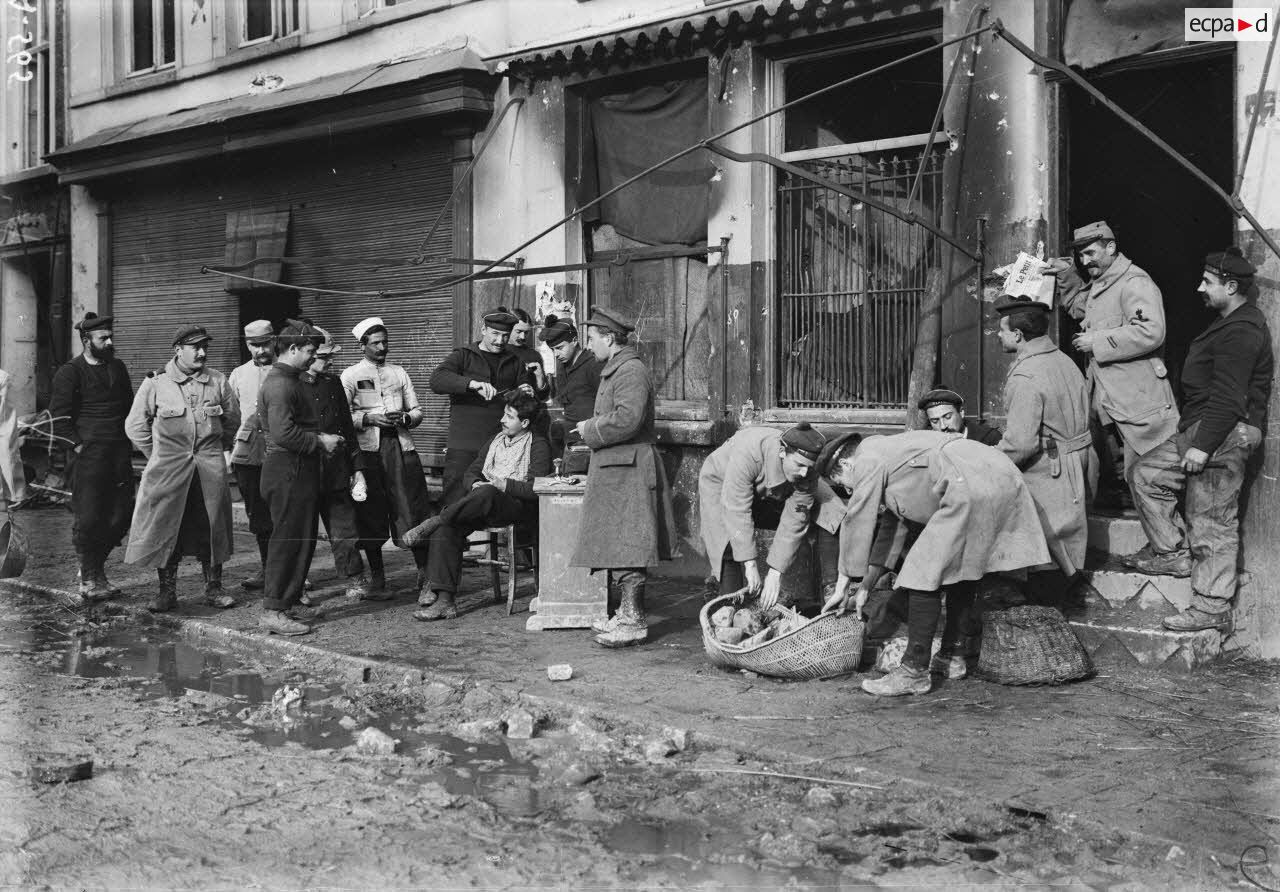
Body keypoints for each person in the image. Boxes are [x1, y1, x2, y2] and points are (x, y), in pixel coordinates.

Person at [822, 430, 1051, 697]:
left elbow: (857, 518)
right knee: (962, 568)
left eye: (845, 484)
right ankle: (953, 655)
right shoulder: (890, 454)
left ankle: (913, 672)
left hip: (967, 481)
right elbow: (893, 529)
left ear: (847, 464)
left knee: (921, 571)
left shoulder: (865, 458)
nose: (850, 490)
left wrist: (842, 584)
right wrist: (865, 587)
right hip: (996, 472)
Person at [1046, 221, 1186, 575]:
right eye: (1080, 254)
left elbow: (1151, 331)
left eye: (1090, 252)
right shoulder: (1103, 284)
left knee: (1150, 472)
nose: (1085, 260)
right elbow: (1082, 308)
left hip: (1140, 397)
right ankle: (1163, 544)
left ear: (1111, 247)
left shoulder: (1134, 282)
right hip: (1111, 395)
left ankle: (1173, 552)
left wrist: (1097, 342)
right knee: (1126, 471)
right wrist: (1066, 275)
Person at [1161, 248, 1273, 632]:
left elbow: (1230, 397)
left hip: (1217, 433)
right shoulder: (1230, 324)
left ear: (1230, 286)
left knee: (1211, 519)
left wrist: (1202, 445)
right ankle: (1173, 552)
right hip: (1202, 427)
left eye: (1207, 283)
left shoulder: (1241, 330)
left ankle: (1211, 605)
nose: (1199, 288)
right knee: (1147, 475)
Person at [571, 307, 676, 648]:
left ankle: (633, 620)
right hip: (617, 469)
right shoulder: (616, 369)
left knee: (628, 544)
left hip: (627, 470)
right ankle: (627, 613)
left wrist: (589, 428)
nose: (589, 346)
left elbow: (628, 419)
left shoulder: (630, 371)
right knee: (618, 543)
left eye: (592, 339)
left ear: (610, 338)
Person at [402, 392, 552, 620]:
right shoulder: (495, 440)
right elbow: (471, 471)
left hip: (517, 508)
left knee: (488, 492)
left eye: (509, 417)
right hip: (483, 504)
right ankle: (445, 601)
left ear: (525, 423)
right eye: (504, 413)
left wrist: (504, 485)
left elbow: (534, 488)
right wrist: (475, 483)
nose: (502, 419)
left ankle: (434, 521)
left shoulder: (538, 445)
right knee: (449, 527)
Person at [124, 324, 240, 612]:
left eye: (205, 347)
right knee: (167, 527)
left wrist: (214, 450)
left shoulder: (218, 381)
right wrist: (160, 455)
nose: (202, 352)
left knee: (212, 527)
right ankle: (167, 593)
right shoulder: (156, 383)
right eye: (195, 347)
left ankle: (214, 589)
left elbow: (233, 421)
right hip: (169, 471)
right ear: (178, 350)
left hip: (208, 470)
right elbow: (135, 426)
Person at [993, 296, 1098, 592]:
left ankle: (1048, 609)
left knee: (1048, 541)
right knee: (1066, 536)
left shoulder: (1025, 375)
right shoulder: (1063, 359)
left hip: (1051, 467)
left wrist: (987, 461)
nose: (998, 335)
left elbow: (1020, 445)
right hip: (1079, 456)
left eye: (1001, 330)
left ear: (1017, 335)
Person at [256, 319, 343, 635]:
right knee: (288, 541)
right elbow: (282, 433)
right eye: (309, 350)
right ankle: (274, 611)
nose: (312, 356)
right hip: (288, 471)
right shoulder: (281, 384)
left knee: (300, 541)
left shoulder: (291, 380)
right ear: (292, 349)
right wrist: (321, 441)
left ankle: (285, 606)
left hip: (298, 470)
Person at [341, 317, 434, 601]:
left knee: (411, 509)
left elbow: (417, 409)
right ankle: (378, 579)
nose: (382, 348)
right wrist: (368, 418)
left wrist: (405, 417)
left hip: (401, 450)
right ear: (362, 346)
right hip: (369, 454)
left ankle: (425, 574)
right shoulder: (350, 376)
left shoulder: (399, 372)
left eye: (385, 342)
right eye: (376, 343)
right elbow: (343, 417)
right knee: (370, 513)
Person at [48, 312, 133, 602]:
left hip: (119, 453)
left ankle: (97, 570)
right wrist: (80, 447)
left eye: (110, 337)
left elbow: (129, 408)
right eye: (103, 338)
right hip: (89, 457)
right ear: (86, 340)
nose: (109, 342)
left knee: (121, 515)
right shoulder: (69, 372)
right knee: (90, 517)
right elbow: (59, 418)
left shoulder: (118, 367)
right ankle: (88, 577)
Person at [697, 422, 832, 604]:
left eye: (809, 467)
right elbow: (737, 509)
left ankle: (828, 592)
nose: (804, 472)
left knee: (830, 512)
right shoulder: (748, 453)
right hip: (721, 482)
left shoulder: (807, 473)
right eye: (800, 465)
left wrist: (775, 573)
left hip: (769, 489)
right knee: (727, 543)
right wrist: (750, 563)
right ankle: (722, 591)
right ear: (783, 452)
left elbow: (796, 519)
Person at [300, 327, 380, 605]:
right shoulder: (290, 384)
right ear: (308, 355)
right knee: (302, 534)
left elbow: (347, 427)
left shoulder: (333, 383)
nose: (331, 361)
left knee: (345, 530)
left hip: (336, 471)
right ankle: (296, 584)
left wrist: (357, 469)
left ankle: (355, 577)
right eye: (325, 356)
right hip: (304, 472)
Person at [429, 309, 534, 505]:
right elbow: (437, 380)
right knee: (454, 505)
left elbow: (523, 405)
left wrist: (525, 391)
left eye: (505, 336)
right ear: (483, 329)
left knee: (493, 505)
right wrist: (471, 384)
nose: (500, 341)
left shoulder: (515, 361)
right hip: (464, 447)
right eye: (495, 334)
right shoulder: (463, 355)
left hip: (500, 448)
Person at [226, 319, 276, 592]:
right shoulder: (238, 374)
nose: (260, 351)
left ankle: (290, 571)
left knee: (283, 512)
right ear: (246, 345)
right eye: (254, 346)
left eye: (264, 344)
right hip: (248, 454)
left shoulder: (287, 370)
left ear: (274, 340)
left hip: (279, 452)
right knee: (257, 514)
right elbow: (231, 417)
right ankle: (267, 567)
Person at [538, 315, 603, 459]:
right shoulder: (562, 366)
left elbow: (606, 405)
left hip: (591, 441)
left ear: (574, 341)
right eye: (552, 350)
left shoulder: (593, 365)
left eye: (560, 348)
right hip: (569, 441)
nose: (556, 354)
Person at [917, 388, 1001, 445]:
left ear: (961, 413)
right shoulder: (928, 445)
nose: (943, 426)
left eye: (947, 417)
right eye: (935, 421)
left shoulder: (988, 439)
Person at [507, 307, 551, 401]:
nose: (523, 337)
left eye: (526, 332)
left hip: (527, 411)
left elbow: (543, 396)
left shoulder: (534, 355)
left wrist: (540, 378)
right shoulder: (497, 351)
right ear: (508, 328)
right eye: (518, 332)